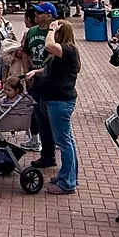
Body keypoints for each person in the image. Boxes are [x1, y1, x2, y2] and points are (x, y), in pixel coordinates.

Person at [25, 19, 80, 195]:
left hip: (60, 100)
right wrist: (36, 71)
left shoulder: (69, 50)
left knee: (64, 141)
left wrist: (51, 29)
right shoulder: (61, 54)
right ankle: (68, 175)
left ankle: (68, 182)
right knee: (66, 139)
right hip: (53, 98)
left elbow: (49, 46)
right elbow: (50, 67)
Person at [23, 3, 57, 159]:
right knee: (39, 116)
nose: (35, 14)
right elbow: (25, 53)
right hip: (35, 80)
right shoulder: (31, 32)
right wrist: (26, 74)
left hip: (51, 81)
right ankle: (46, 153)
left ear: (49, 16)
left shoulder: (57, 32)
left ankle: (54, 145)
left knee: (51, 116)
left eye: (40, 12)